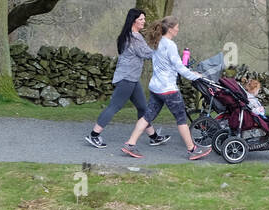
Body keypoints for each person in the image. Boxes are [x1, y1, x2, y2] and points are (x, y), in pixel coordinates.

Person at [121, 15, 210, 160]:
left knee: (147, 116)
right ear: (170, 29)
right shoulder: (170, 45)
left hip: (156, 88)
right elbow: (179, 67)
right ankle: (192, 149)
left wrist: (188, 71)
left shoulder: (158, 42)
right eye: (176, 27)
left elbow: (172, 65)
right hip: (168, 89)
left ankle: (130, 144)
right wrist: (196, 76)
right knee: (181, 118)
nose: (178, 29)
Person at [86, 8, 170, 149]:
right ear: (134, 20)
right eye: (141, 19)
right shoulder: (133, 38)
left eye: (144, 19)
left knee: (143, 108)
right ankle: (93, 135)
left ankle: (154, 137)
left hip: (131, 78)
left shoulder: (132, 36)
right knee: (114, 107)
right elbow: (147, 54)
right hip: (126, 79)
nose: (144, 21)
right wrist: (164, 49)